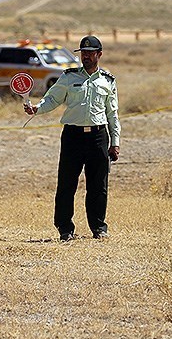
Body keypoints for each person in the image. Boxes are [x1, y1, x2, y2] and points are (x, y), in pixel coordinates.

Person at [23, 35, 120, 241]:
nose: (85, 56)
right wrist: (36, 109)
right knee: (67, 184)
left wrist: (115, 142)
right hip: (73, 137)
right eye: (83, 52)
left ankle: (99, 228)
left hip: (98, 137)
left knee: (98, 185)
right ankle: (65, 229)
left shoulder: (108, 81)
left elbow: (112, 114)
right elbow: (51, 99)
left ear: (99, 55)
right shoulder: (68, 77)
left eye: (90, 52)